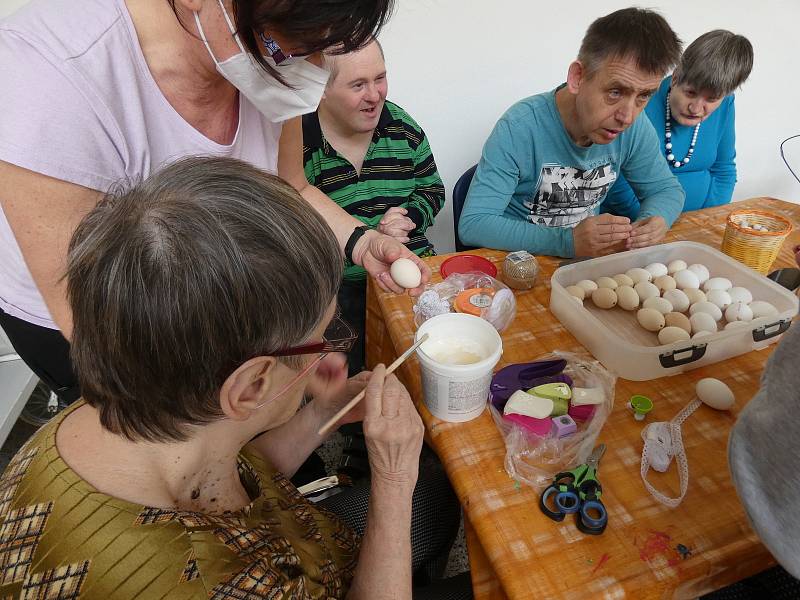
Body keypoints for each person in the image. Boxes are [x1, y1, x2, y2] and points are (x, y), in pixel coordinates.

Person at [0, 156, 468, 599]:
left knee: (435, 494)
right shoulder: (202, 580)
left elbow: (227, 474)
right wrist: (392, 475)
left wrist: (322, 413)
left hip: (295, 543)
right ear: (250, 386)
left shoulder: (127, 403)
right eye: (326, 334)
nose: (329, 349)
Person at [0, 0, 429, 407]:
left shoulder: (276, 66)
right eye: (286, 43)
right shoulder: (51, 72)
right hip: (96, 321)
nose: (309, 68)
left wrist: (359, 241)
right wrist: (277, 361)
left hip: (213, 294)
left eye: (322, 48)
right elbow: (101, 320)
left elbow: (292, 188)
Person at [458, 7, 685, 259]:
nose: (627, 117)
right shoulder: (520, 126)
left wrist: (655, 221)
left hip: (582, 265)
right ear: (577, 77)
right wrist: (567, 241)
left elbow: (666, 190)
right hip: (518, 263)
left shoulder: (635, 127)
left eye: (643, 96)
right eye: (615, 92)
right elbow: (474, 223)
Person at [303, 39, 444, 374]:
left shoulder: (403, 129)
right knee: (347, 382)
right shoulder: (301, 143)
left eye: (380, 78)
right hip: (336, 288)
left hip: (411, 267)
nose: (375, 95)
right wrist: (365, 238)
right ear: (321, 89)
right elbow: (292, 233)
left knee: (430, 361)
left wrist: (408, 220)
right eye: (358, 85)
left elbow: (433, 190)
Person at [603, 30, 754, 220]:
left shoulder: (726, 104)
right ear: (675, 77)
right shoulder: (639, 101)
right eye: (690, 93)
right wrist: (658, 224)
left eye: (712, 99)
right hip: (638, 225)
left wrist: (707, 219)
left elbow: (724, 170)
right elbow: (617, 184)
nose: (696, 108)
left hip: (701, 224)